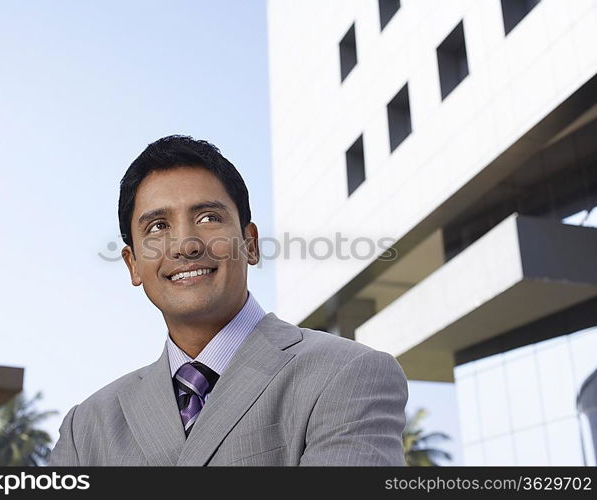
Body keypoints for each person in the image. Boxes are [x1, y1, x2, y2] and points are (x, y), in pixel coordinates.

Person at [48, 135, 408, 466]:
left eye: (208, 218)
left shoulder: (347, 374)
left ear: (250, 244)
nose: (186, 244)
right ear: (133, 264)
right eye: (158, 226)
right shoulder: (87, 429)